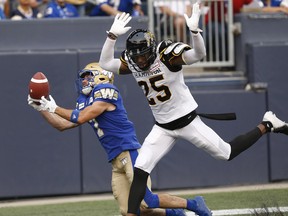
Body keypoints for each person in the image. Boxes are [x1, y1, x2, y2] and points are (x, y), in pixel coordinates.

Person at [98, 3, 288, 215]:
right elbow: (105, 62)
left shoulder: (166, 55)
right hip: (162, 127)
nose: (140, 60)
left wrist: (195, 32)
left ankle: (267, 124)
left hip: (187, 122)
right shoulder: (133, 62)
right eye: (137, 56)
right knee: (140, 171)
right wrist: (111, 36)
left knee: (226, 153)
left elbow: (198, 54)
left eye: (143, 55)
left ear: (151, 49)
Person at [27, 62, 212, 216]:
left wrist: (54, 107)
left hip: (129, 152)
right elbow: (62, 125)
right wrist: (42, 108)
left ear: (101, 76)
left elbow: (81, 117)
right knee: (129, 211)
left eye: (87, 76)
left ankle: (194, 204)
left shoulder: (106, 91)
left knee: (147, 200)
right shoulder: (84, 101)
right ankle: (174, 213)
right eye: (82, 77)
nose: (83, 80)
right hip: (116, 161)